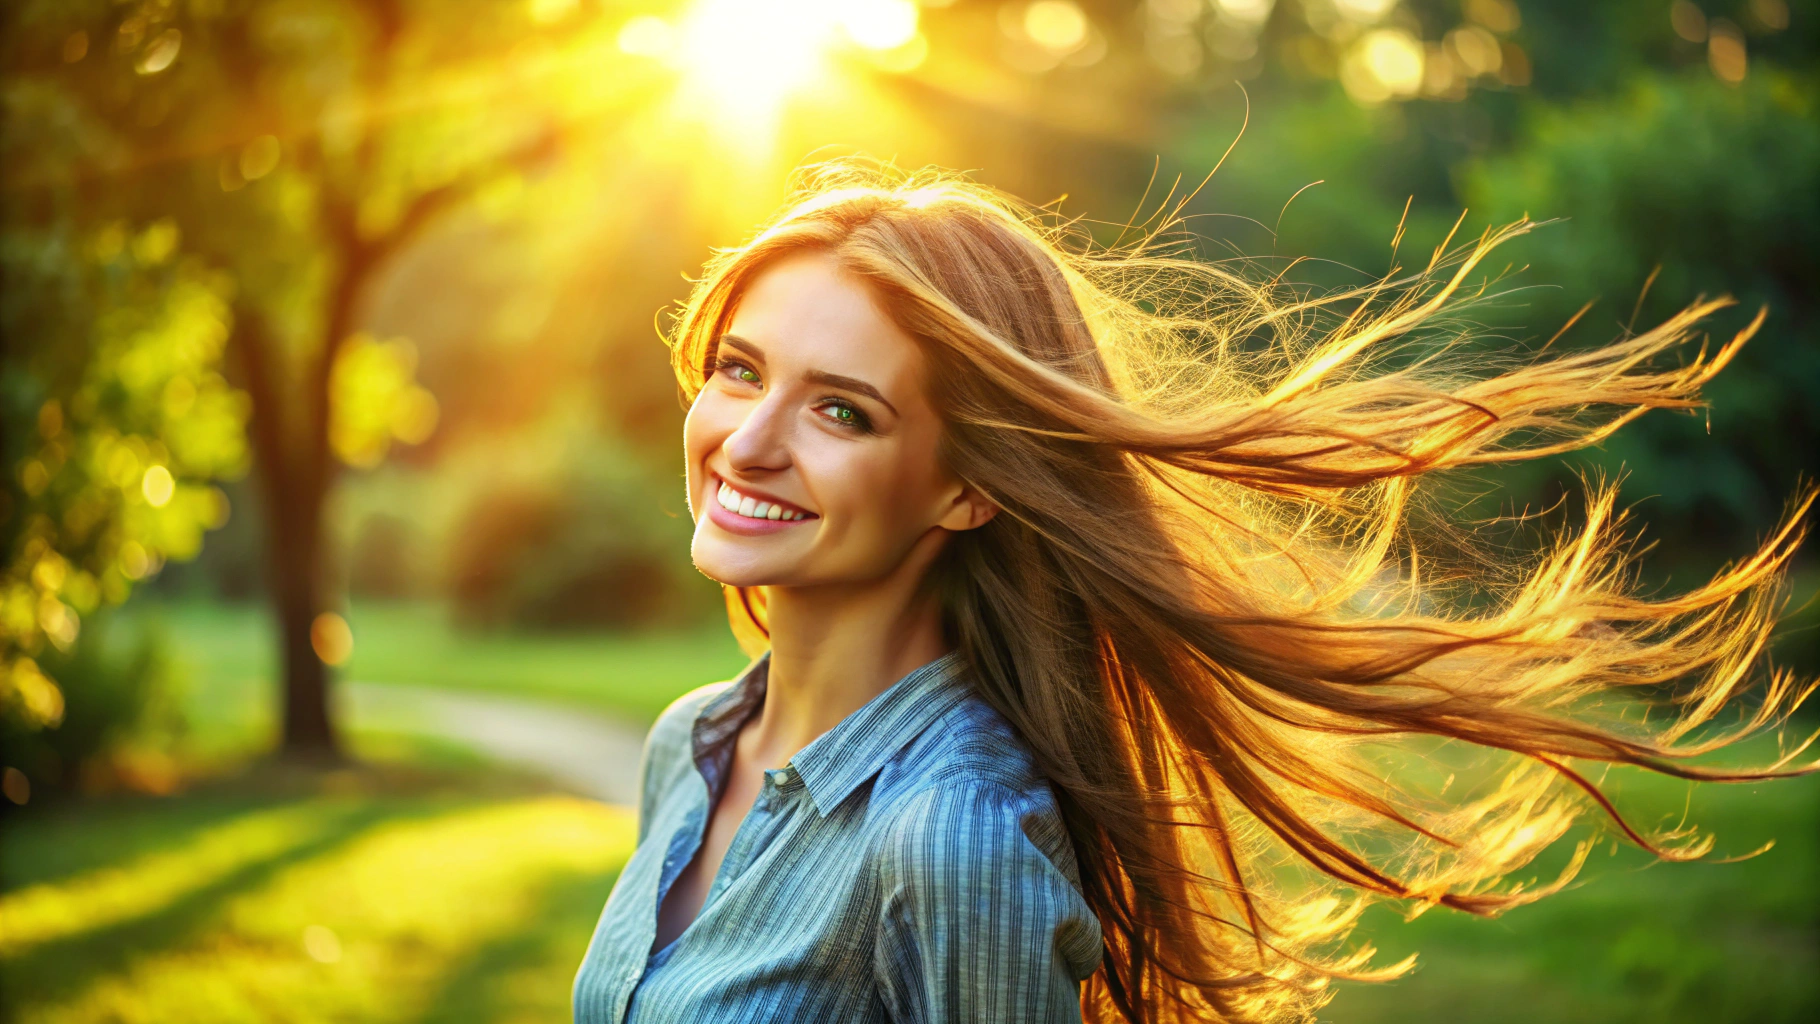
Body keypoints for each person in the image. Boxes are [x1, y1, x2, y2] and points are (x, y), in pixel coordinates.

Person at [571, 163, 1812, 1024]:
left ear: (966, 486)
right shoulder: (691, 744)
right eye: (739, 370)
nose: (746, 441)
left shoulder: (947, 837)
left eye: (842, 408)